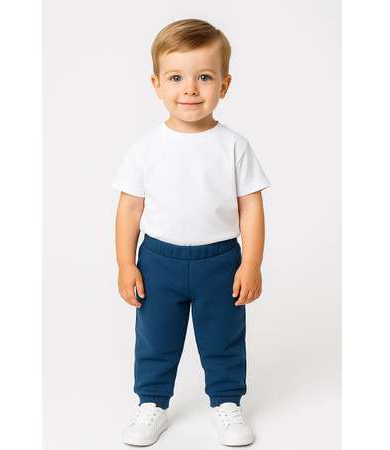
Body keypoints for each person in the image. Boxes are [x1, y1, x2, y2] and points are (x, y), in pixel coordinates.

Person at [112, 18, 271, 447]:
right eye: (176, 78)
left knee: (223, 337)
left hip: (219, 261)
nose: (190, 89)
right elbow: (129, 208)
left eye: (204, 77)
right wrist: (126, 263)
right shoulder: (145, 147)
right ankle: (152, 404)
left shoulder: (233, 145)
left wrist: (251, 263)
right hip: (158, 261)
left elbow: (251, 207)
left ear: (225, 84)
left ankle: (226, 402)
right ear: (156, 84)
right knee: (155, 337)